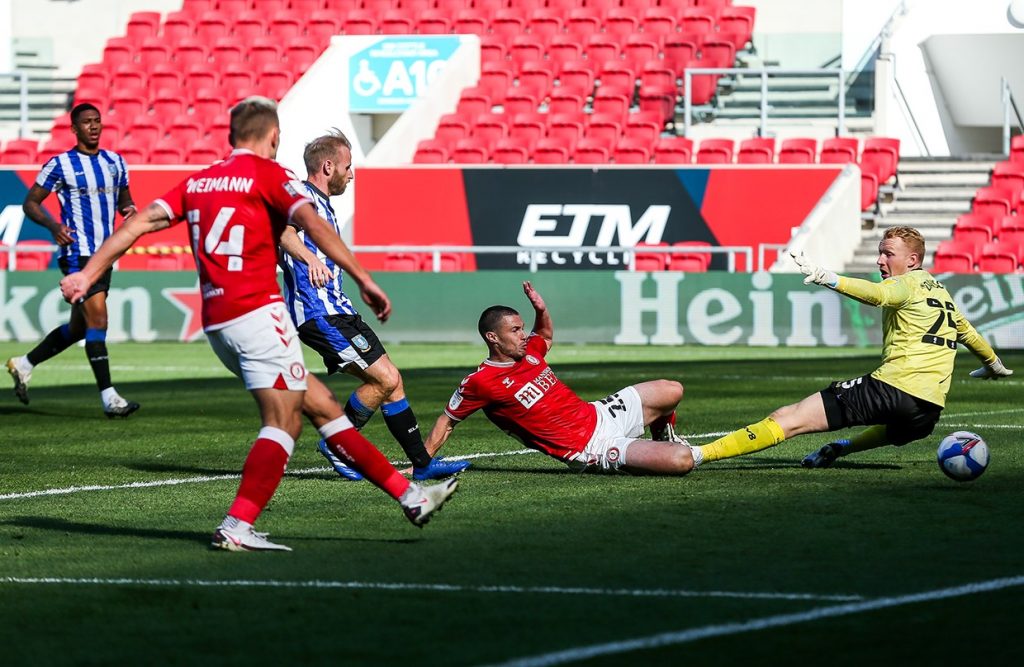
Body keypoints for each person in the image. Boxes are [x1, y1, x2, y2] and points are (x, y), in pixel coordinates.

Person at [60, 97, 458, 552]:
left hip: (218, 321)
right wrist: (363, 277)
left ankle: (410, 497)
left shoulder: (198, 181)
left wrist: (87, 274)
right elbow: (312, 226)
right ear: (273, 136)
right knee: (283, 422)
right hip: (258, 315)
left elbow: (139, 223)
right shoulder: (270, 177)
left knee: (323, 408)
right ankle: (237, 524)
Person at [693, 226, 1013, 469]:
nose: (880, 260)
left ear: (912, 260)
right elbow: (968, 333)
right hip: (928, 410)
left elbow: (878, 295)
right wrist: (993, 364)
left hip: (893, 388)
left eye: (888, 254)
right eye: (880, 252)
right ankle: (840, 448)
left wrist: (827, 277)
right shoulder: (941, 292)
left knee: (787, 418)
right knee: (893, 430)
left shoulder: (904, 284)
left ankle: (698, 453)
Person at [277, 131, 470, 482]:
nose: (351, 174)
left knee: (393, 382)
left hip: (340, 310)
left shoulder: (323, 204)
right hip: (318, 312)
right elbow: (284, 234)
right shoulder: (302, 195)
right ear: (328, 166)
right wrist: (310, 259)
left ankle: (421, 463)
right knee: (384, 379)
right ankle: (336, 444)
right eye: (348, 167)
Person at [422, 281, 698, 475]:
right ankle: (671, 452)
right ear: (493, 337)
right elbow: (447, 422)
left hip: (599, 414)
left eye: (522, 328)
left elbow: (545, 336)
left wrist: (541, 310)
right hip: (590, 448)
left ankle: (662, 437)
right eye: (515, 330)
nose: (523, 335)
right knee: (681, 459)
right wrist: (421, 462)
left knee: (671, 389)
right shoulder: (480, 382)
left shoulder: (528, 353)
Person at [7, 102, 139, 417]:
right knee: (99, 320)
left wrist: (130, 211)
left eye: (97, 120)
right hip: (77, 253)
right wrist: (54, 226)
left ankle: (23, 363)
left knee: (79, 328)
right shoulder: (60, 164)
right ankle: (110, 398)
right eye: (86, 122)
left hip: (104, 254)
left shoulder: (115, 162)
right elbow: (30, 203)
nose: (93, 126)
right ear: (74, 129)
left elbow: (125, 200)